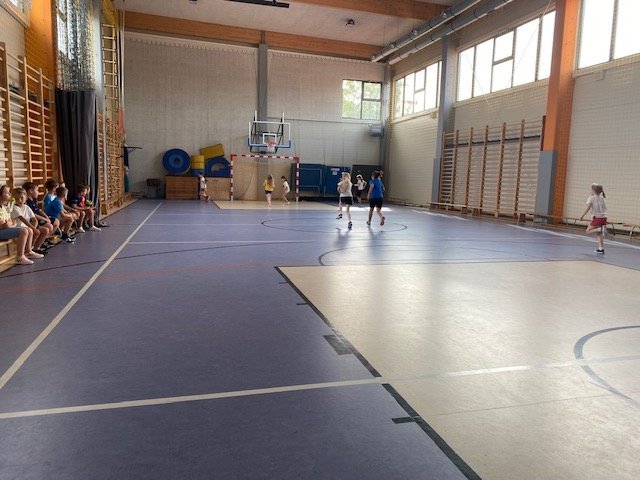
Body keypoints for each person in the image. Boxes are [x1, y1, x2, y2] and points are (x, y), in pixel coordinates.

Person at [0, 185, 34, 265]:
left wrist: (9, 224)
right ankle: (20, 257)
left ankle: (28, 251)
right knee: (23, 231)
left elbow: (11, 221)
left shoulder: (4, 207)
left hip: (4, 229)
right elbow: (4, 225)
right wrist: (9, 224)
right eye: (7, 192)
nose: (10, 194)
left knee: (28, 229)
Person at [10, 187, 45, 260]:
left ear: (26, 197)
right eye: (17, 199)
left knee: (38, 231)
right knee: (30, 230)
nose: (19, 200)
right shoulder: (14, 207)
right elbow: (22, 219)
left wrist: (34, 228)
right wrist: (33, 228)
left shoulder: (27, 207)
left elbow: (34, 220)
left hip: (27, 227)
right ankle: (28, 251)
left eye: (21, 198)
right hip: (18, 227)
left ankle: (30, 249)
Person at [24, 181, 57, 251]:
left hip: (37, 219)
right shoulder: (27, 202)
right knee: (48, 227)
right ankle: (36, 246)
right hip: (32, 221)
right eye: (37, 190)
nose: (38, 192)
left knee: (52, 224)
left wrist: (46, 217)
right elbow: (32, 214)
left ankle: (42, 242)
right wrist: (45, 219)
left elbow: (39, 210)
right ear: (31, 191)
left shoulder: (34, 200)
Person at [580, 183, 607, 255]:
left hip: (597, 218)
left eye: (591, 190)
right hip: (604, 218)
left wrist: (582, 215)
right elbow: (604, 209)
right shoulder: (602, 198)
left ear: (594, 191)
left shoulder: (591, 198)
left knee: (588, 231)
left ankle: (599, 229)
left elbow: (588, 208)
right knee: (599, 234)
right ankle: (601, 249)